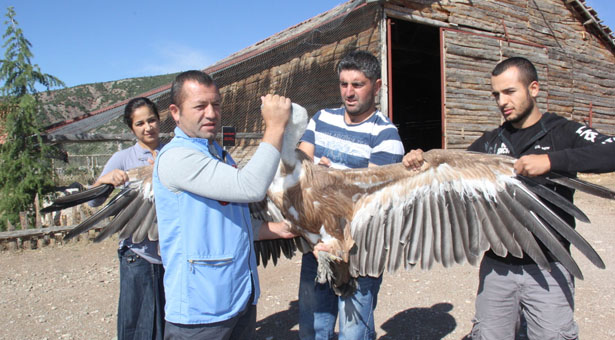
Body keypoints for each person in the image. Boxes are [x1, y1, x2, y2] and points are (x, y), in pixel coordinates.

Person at [403, 56, 615, 340]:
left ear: (534, 89)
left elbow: (610, 151)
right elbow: (449, 170)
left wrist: (551, 161)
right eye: (496, 95)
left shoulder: (563, 131)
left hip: (549, 265)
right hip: (497, 267)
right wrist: (422, 160)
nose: (502, 101)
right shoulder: (490, 143)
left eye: (510, 91)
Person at [152, 70, 295, 340]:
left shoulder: (218, 153)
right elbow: (251, 187)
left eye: (215, 104)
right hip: (201, 310)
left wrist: (276, 229)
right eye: (199, 106)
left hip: (238, 297)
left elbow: (227, 219)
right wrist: (275, 127)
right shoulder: (177, 157)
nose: (211, 113)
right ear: (175, 111)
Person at [297, 50, 405, 340]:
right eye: (344, 84)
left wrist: (329, 177)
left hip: (359, 253)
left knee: (353, 333)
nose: (349, 92)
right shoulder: (321, 119)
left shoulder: (386, 135)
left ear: (377, 86)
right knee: (312, 328)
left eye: (357, 84)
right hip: (317, 246)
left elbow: (370, 201)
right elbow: (300, 164)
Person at [88, 97, 165, 340]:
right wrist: (104, 181)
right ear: (131, 128)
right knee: (138, 325)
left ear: (159, 119)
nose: (147, 127)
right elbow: (93, 201)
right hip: (138, 252)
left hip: (172, 253)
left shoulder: (173, 153)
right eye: (140, 123)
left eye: (151, 120)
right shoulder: (122, 158)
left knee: (167, 321)